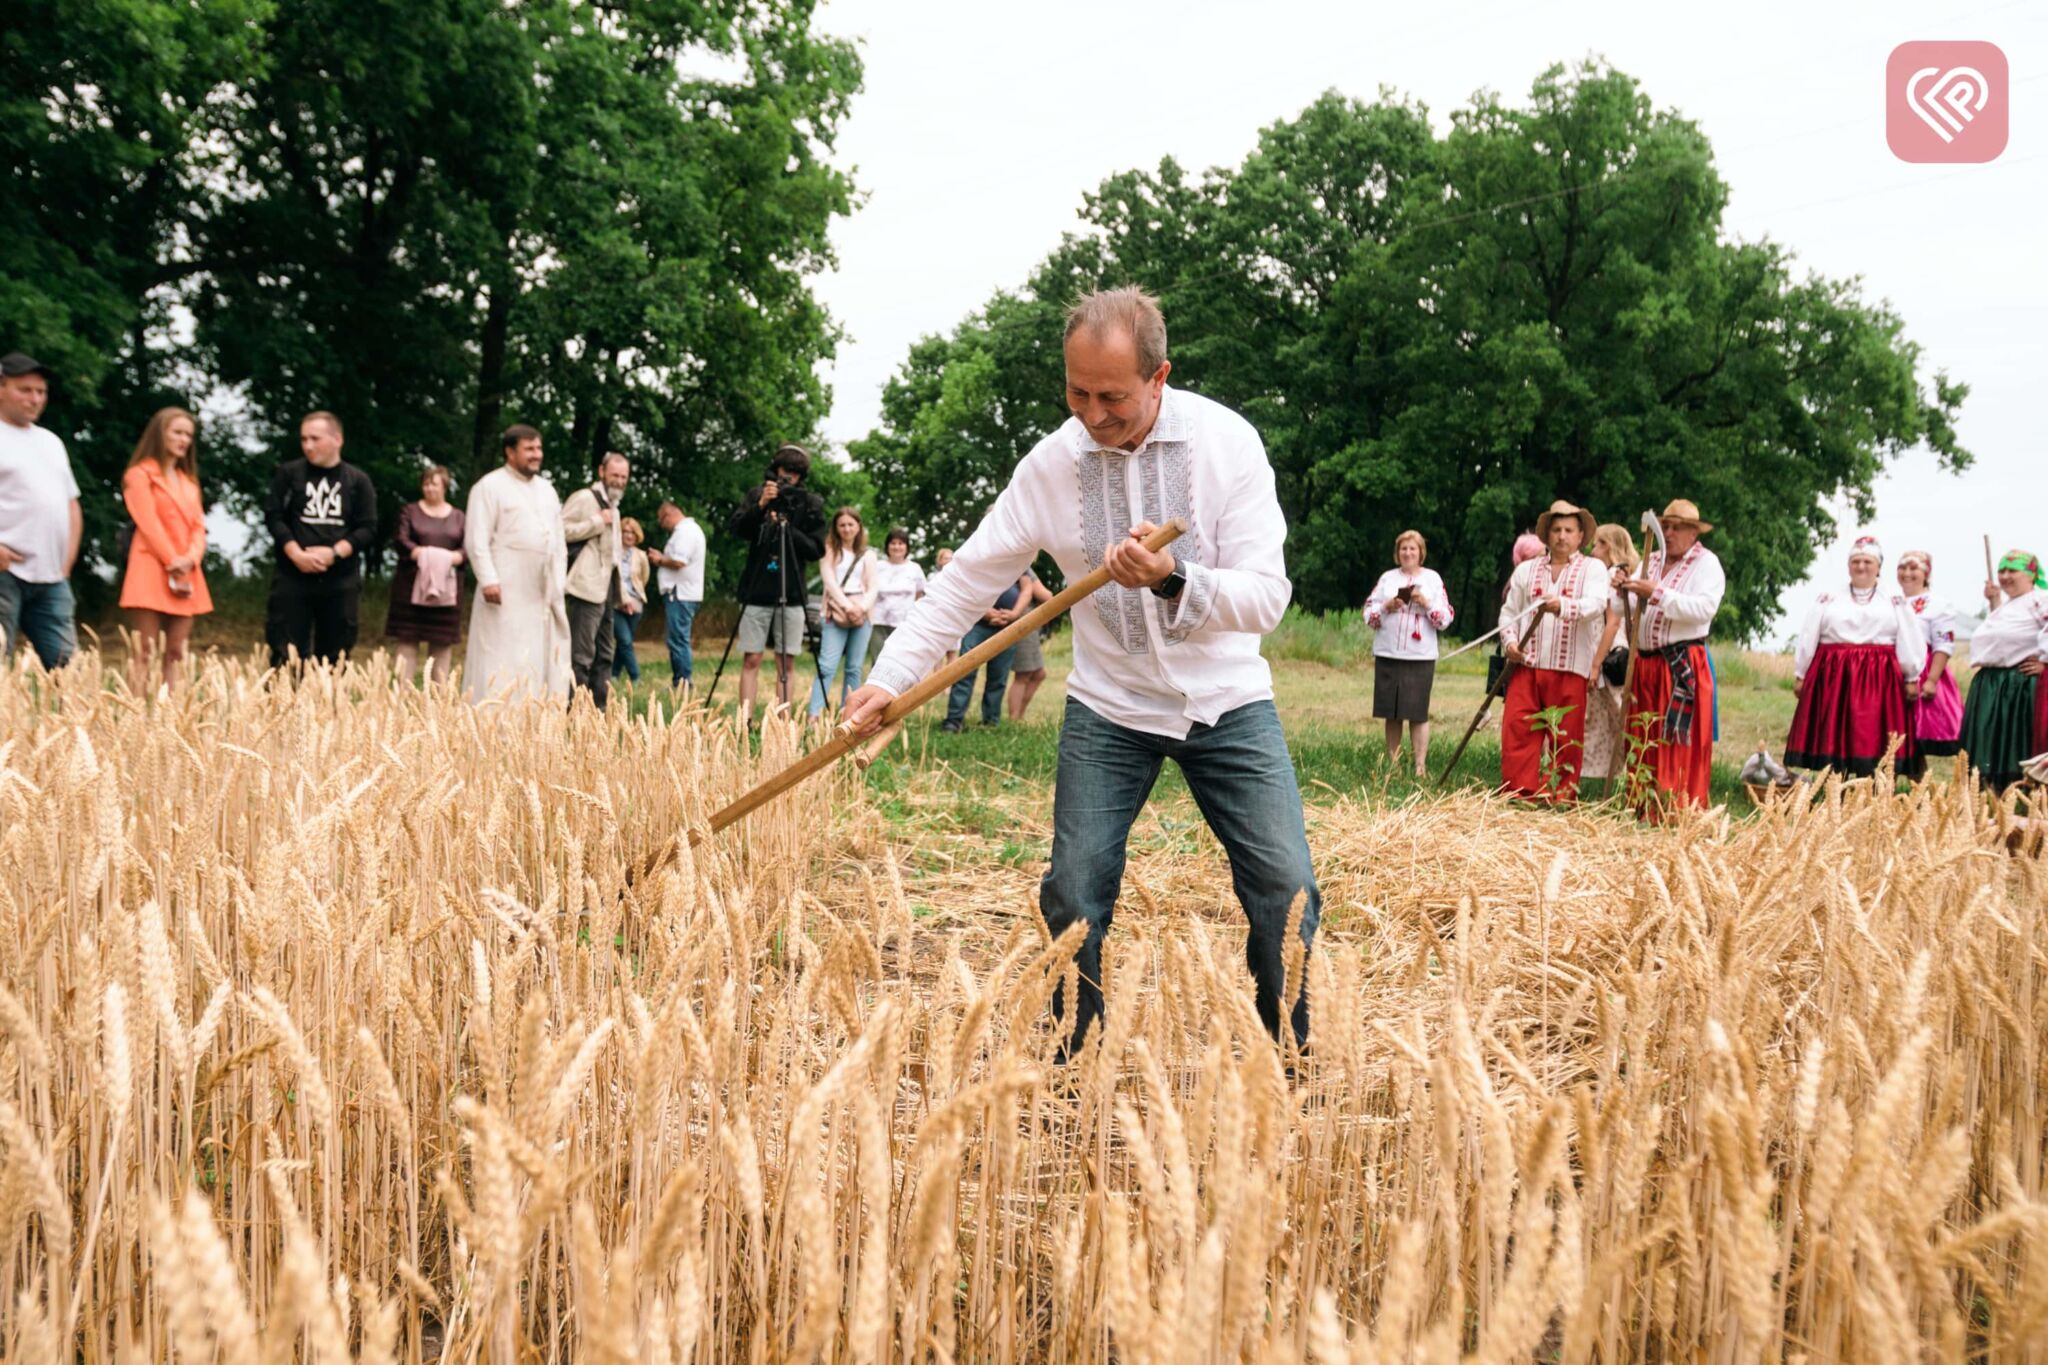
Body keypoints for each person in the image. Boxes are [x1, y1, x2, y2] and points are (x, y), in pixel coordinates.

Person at [843, 286, 1319, 1055]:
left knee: (1286, 888)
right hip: (1112, 708)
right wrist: (891, 680)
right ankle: (1074, 1060)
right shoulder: (1052, 466)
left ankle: (1288, 1061)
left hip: (1227, 702)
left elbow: (1267, 599)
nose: (1092, 414)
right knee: (1072, 891)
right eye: (1077, 392)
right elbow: (964, 581)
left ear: (1160, 377)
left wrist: (1171, 577)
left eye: (1114, 397)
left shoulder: (1228, 445)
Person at [1784, 537, 1924, 778]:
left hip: (1879, 676)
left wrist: (1911, 675)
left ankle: (1872, 789)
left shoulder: (1894, 601)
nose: (1861, 567)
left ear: (1878, 566)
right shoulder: (1828, 598)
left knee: (1872, 733)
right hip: (1835, 674)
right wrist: (1801, 673)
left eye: (1867, 561)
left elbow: (1908, 637)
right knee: (1836, 731)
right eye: (1856, 561)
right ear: (1848, 566)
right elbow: (1809, 635)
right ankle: (1834, 789)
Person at [1618, 499, 1725, 812]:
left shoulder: (1707, 564)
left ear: (1694, 533)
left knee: (1676, 739)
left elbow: (1704, 609)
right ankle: (1640, 804)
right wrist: (1621, 588)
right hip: (1646, 662)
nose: (1669, 532)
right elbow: (1618, 610)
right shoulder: (1650, 560)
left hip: (1680, 663)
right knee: (1641, 732)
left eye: (1678, 527)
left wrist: (1658, 593)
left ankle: (1674, 807)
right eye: (1665, 526)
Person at [1499, 501, 1609, 801]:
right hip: (1527, 665)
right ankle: (1519, 792)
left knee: (1566, 736)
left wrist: (1563, 605)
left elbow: (1596, 604)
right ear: (1546, 534)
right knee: (1518, 728)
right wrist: (1509, 642)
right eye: (1556, 530)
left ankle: (1560, 795)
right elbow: (1509, 612)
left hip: (1569, 668)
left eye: (1568, 530)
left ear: (1580, 535)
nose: (1562, 536)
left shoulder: (1594, 569)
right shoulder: (1526, 570)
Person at [463, 424, 571, 703]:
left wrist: (557, 584)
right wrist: (488, 580)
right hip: (504, 587)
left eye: (539, 448)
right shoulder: (488, 487)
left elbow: (558, 542)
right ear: (510, 452)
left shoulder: (547, 490)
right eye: (529, 449)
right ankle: (493, 722)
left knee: (534, 657)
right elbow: (476, 539)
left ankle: (531, 720)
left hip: (540, 591)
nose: (537, 454)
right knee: (500, 655)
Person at [263, 411, 377, 670]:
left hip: (340, 579)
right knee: (286, 654)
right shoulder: (288, 474)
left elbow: (367, 528)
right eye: (304, 439)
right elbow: (274, 517)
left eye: (315, 438)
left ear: (337, 439)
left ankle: (330, 710)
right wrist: (296, 554)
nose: (308, 446)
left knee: (335, 658)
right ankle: (283, 708)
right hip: (292, 577)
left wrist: (334, 553)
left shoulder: (357, 481)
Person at [727, 444, 825, 724]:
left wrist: (788, 527)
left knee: (787, 662)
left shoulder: (810, 503)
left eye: (795, 473)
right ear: (776, 469)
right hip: (757, 591)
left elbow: (816, 549)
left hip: (792, 593)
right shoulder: (758, 495)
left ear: (801, 475)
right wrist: (760, 507)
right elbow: (737, 530)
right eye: (785, 471)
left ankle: (783, 723)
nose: (789, 478)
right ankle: (745, 722)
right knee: (752, 658)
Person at [118, 406, 213, 692]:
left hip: (186, 570)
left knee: (176, 652)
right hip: (151, 567)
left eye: (188, 435)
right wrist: (173, 559)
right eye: (177, 432)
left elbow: (198, 526)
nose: (184, 440)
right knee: (144, 650)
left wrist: (191, 559)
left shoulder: (189, 482)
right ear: (160, 434)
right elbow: (147, 523)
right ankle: (136, 713)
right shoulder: (139, 475)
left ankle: (170, 714)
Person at [0, 353, 82, 669]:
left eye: (41, 392)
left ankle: (64, 722)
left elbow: (70, 503)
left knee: (68, 670)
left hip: (52, 577)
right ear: (2, 388)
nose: (35, 399)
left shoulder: (51, 442)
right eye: (26, 390)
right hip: (6, 572)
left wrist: (67, 562)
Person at [1362, 529, 1453, 777]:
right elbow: (1368, 616)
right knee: (1392, 713)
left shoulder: (1432, 579)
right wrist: (1387, 606)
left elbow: (1445, 618)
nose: (1408, 553)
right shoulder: (1387, 579)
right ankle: (1394, 765)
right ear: (1397, 553)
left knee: (1417, 712)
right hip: (1388, 653)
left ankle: (1420, 767)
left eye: (1413, 548)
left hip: (1419, 656)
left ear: (1421, 552)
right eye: (1403, 548)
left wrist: (1426, 603)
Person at [1958, 549, 2048, 792]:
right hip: (1993, 682)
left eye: (2012, 570)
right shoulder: (2012, 605)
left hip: (2017, 685)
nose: (2005, 576)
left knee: (2012, 742)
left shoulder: (2040, 599)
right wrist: (1994, 602)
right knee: (1992, 742)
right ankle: (1994, 794)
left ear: (2030, 574)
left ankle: (2017, 793)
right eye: (2002, 571)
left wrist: (2045, 663)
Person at [384, 465, 466, 686]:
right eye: (426, 483)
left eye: (434, 484)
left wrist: (456, 557)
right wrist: (419, 553)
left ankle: (437, 703)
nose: (429, 488)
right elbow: (401, 540)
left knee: (441, 645)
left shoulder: (459, 517)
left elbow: (468, 546)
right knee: (407, 642)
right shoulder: (409, 511)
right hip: (410, 587)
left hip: (446, 592)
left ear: (445, 487)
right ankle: (401, 698)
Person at [562, 452, 629, 710]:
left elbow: (613, 555)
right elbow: (560, 530)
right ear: (602, 472)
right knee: (581, 655)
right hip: (584, 587)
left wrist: (622, 593)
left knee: (605, 654)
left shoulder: (615, 506)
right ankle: (575, 711)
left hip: (607, 589)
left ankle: (598, 712)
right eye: (615, 475)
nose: (620, 481)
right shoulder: (584, 498)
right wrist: (596, 521)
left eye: (624, 477)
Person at [1581, 523, 1640, 792]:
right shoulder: (1616, 574)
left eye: (1599, 544)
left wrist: (1596, 664)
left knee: (1617, 713)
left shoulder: (1614, 574)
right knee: (1603, 716)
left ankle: (1627, 772)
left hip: (1610, 651)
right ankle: (1603, 776)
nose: (1593, 550)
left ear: (1611, 546)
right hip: (1604, 647)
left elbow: (1612, 622)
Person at [1895, 550, 1962, 781]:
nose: (1907, 573)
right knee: (1894, 736)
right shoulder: (1891, 601)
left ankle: (1920, 792)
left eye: (1914, 568)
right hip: (1892, 674)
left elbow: (1943, 644)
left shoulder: (1938, 605)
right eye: (1902, 568)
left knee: (1915, 739)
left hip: (1923, 672)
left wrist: (1932, 680)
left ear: (1926, 573)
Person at [809, 506, 877, 716]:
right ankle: (815, 713)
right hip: (835, 611)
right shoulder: (829, 551)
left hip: (862, 614)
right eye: (842, 525)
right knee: (827, 666)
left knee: (854, 668)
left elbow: (873, 586)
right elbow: (829, 581)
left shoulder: (869, 555)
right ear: (836, 528)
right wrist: (848, 607)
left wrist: (861, 608)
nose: (847, 529)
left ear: (858, 527)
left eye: (850, 524)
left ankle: (848, 712)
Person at [941, 576, 1025, 732]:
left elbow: (1027, 589)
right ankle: (954, 720)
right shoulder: (982, 554)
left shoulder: (1021, 558)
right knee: (964, 672)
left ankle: (991, 722)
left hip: (1008, 627)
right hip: (978, 624)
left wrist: (1014, 614)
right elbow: (967, 586)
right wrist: (985, 611)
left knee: (999, 676)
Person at [647, 501, 705, 688]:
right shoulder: (688, 530)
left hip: (680, 593)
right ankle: (679, 681)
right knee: (677, 638)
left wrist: (659, 559)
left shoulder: (685, 532)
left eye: (661, 520)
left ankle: (683, 682)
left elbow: (679, 561)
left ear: (668, 515)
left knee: (678, 639)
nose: (662, 525)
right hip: (683, 592)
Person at [1007, 568, 1058, 721]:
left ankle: (1019, 716)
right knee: (1023, 675)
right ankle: (1014, 719)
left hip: (1030, 626)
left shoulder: (1026, 567)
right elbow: (1045, 595)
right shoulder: (1025, 567)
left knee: (1039, 674)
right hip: (1024, 624)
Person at [868, 526, 926, 661]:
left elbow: (920, 593)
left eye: (901, 543)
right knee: (878, 660)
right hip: (878, 622)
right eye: (893, 543)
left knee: (900, 661)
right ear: (887, 546)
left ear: (906, 547)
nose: (896, 547)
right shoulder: (878, 566)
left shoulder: (914, 568)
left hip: (903, 623)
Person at [612, 516, 651, 684]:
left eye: (632, 532)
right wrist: (622, 598)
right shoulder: (613, 552)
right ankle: (636, 676)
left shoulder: (641, 555)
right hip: (616, 602)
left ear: (637, 535)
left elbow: (644, 578)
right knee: (625, 640)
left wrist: (634, 597)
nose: (628, 535)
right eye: (625, 531)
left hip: (636, 603)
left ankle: (613, 674)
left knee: (624, 642)